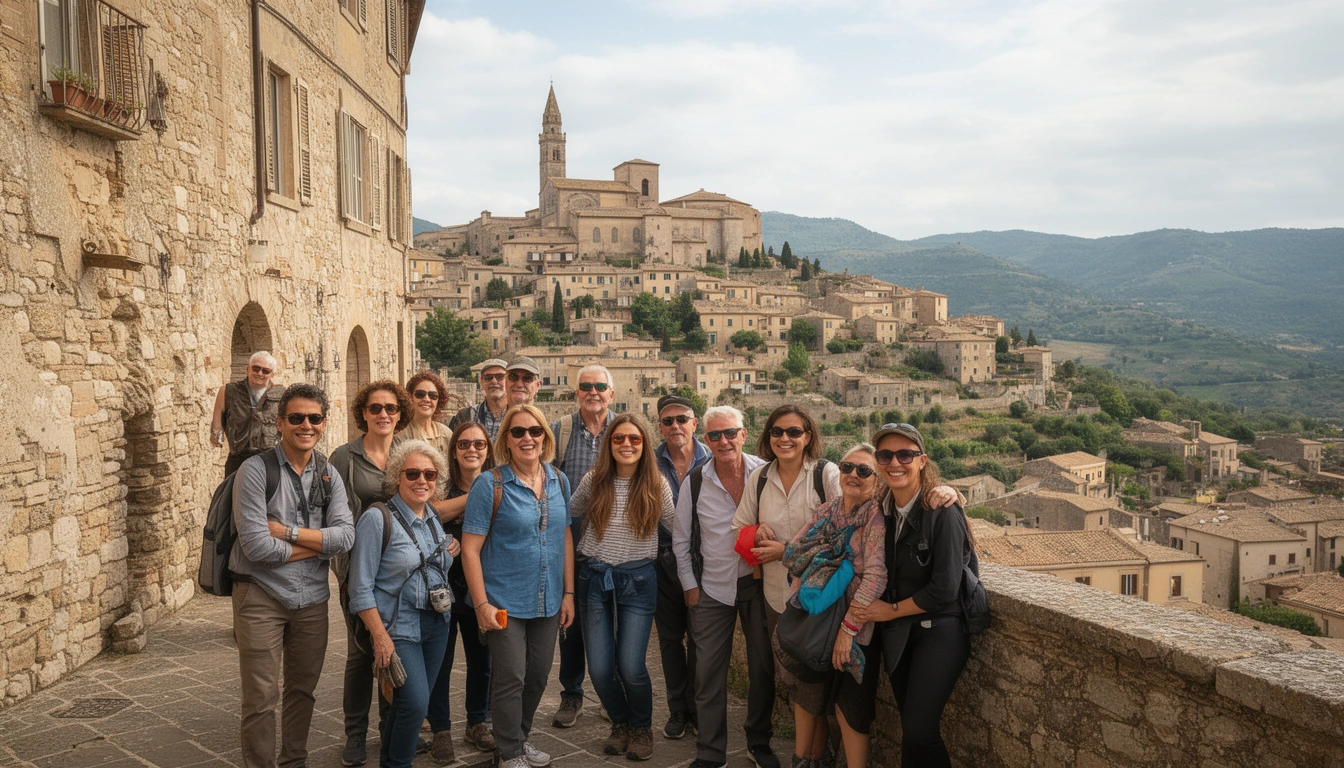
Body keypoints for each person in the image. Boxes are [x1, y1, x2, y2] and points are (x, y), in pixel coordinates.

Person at [230, 383, 354, 768]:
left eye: (314, 418)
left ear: (324, 423)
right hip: (261, 595)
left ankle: (294, 761)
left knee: (303, 691)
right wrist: (320, 544)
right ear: (280, 423)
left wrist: (286, 532)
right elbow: (257, 549)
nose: (306, 425)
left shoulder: (329, 474)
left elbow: (346, 536)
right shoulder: (254, 471)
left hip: (312, 599)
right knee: (260, 698)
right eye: (297, 417)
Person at [852, 423, 975, 768]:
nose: (895, 462)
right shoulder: (880, 510)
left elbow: (945, 589)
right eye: (885, 455)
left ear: (922, 461)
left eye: (905, 455)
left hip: (939, 632)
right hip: (900, 635)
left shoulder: (942, 512)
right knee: (910, 729)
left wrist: (888, 611)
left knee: (921, 732)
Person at [461, 404, 575, 768]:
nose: (528, 438)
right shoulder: (489, 484)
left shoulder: (559, 480)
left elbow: (565, 537)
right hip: (502, 600)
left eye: (535, 431)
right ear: (506, 441)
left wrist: (569, 593)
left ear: (545, 437)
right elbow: (470, 548)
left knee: (538, 676)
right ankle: (509, 752)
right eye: (518, 432)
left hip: (547, 598)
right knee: (511, 676)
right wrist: (481, 604)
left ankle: (519, 740)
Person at [673, 405, 778, 768]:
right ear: (706, 439)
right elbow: (681, 539)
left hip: (758, 585)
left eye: (730, 433)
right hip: (711, 588)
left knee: (762, 669)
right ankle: (710, 752)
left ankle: (758, 743)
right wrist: (690, 585)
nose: (724, 441)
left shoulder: (765, 474)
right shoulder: (695, 481)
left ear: (744, 434)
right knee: (706, 674)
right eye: (715, 435)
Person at [347, 441, 460, 768]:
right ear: (398, 476)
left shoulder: (432, 517)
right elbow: (360, 588)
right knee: (415, 703)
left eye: (429, 474)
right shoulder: (377, 519)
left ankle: (391, 761)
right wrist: (379, 636)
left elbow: (428, 561)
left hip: (437, 624)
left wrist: (448, 548)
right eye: (412, 473)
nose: (421, 480)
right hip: (399, 627)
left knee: (406, 705)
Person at [569, 414, 675, 762]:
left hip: (638, 581)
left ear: (644, 444)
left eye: (634, 439)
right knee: (600, 669)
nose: (626, 444)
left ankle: (641, 728)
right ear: (609, 444)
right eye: (618, 439)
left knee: (631, 666)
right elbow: (567, 512)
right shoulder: (594, 479)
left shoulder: (656, 484)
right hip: (594, 579)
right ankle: (620, 723)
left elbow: (677, 527)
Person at [780, 444, 887, 768]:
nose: (853, 474)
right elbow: (795, 554)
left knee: (850, 707)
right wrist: (803, 604)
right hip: (817, 621)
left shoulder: (876, 518)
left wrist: (848, 629)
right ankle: (806, 760)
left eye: (864, 470)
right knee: (809, 694)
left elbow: (875, 577)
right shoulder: (828, 510)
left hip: (855, 627)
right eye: (847, 467)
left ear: (877, 480)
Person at [329, 381, 412, 767]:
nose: (383, 414)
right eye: (375, 408)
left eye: (391, 408)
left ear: (400, 413)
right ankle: (356, 734)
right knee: (361, 653)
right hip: (359, 568)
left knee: (394, 649)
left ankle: (390, 727)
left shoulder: (407, 452)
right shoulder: (345, 457)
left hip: (398, 571)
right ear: (363, 412)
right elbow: (333, 513)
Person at [548, 363, 616, 728]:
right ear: (577, 393)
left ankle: (610, 694)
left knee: (613, 620)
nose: (593, 392)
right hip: (570, 539)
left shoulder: (624, 430)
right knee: (570, 620)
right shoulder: (560, 430)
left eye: (600, 386)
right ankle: (571, 694)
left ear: (611, 394)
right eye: (586, 386)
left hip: (614, 541)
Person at [426, 421, 498, 763]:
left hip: (481, 585)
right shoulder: (440, 484)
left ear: (488, 450)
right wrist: (478, 495)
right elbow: (431, 513)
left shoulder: (500, 485)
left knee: (482, 660)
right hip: (441, 586)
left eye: (479, 444)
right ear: (453, 451)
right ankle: (440, 729)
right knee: (440, 661)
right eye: (464, 444)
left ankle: (477, 722)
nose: (472, 449)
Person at [652, 394, 710, 740]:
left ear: (694, 423)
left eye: (682, 419)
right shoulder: (650, 462)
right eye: (668, 421)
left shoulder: (713, 457)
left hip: (706, 562)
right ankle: (677, 709)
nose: (675, 426)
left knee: (701, 640)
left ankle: (698, 708)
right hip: (663, 562)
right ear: (660, 426)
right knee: (671, 640)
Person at [212, 351, 284, 476]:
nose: (260, 373)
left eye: (265, 371)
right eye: (256, 368)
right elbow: (216, 425)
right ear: (247, 369)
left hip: (271, 461)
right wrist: (216, 436)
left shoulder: (282, 394)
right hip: (238, 460)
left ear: (272, 374)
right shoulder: (228, 391)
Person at [447, 358, 511, 441]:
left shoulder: (517, 416)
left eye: (500, 377)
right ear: (481, 381)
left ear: (509, 380)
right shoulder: (465, 416)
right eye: (488, 377)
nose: (494, 381)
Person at [405, 371, 454, 457]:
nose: (427, 399)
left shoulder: (446, 433)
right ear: (410, 397)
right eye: (420, 394)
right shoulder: (402, 435)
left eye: (433, 395)